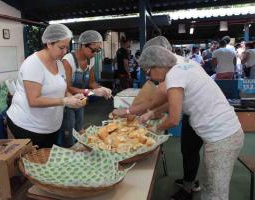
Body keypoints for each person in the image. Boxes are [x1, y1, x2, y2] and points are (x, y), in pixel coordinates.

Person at [138, 44, 244, 200]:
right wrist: (153, 113)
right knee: (210, 183)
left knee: (215, 193)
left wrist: (151, 131)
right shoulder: (183, 63)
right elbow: (176, 101)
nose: (150, 78)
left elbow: (174, 119)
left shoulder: (174, 75)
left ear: (157, 65)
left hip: (222, 138)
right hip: (226, 133)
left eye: (148, 72)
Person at [111, 36, 203, 200]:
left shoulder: (174, 72)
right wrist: (150, 114)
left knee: (195, 155)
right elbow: (167, 103)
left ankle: (189, 187)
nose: (150, 75)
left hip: (210, 123)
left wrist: (141, 120)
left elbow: (163, 108)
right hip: (196, 115)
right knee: (189, 149)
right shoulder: (179, 64)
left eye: (150, 67)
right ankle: (189, 182)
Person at [6, 24, 84, 148]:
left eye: (66, 47)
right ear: (49, 43)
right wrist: (65, 101)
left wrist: (73, 98)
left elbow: (62, 91)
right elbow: (34, 100)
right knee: (32, 164)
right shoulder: (33, 64)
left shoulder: (58, 64)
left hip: (50, 127)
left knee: (45, 161)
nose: (65, 51)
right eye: (61, 47)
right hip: (28, 126)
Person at [59, 30, 112, 147]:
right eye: (93, 50)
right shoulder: (68, 60)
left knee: (80, 130)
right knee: (69, 133)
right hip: (67, 102)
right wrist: (92, 92)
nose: (95, 53)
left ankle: (81, 153)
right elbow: (67, 88)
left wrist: (102, 89)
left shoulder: (90, 60)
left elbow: (92, 82)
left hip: (81, 101)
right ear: (83, 45)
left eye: (98, 50)